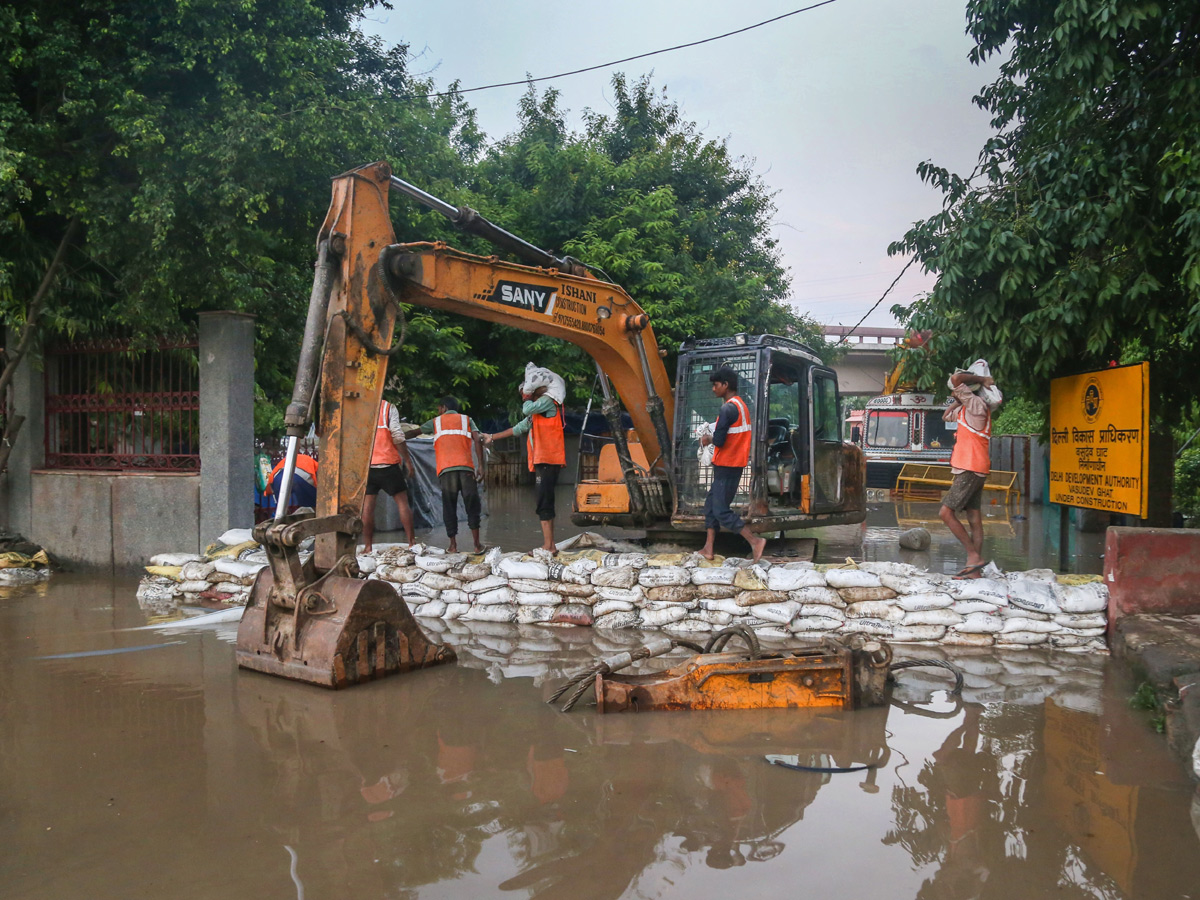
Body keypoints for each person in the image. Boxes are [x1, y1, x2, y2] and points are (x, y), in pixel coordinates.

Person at [484, 380, 566, 554]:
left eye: (524, 393)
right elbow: (518, 428)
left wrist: (527, 397)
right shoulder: (538, 412)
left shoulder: (547, 402)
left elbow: (527, 408)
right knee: (544, 501)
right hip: (543, 461)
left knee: (543, 502)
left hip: (548, 460)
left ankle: (548, 546)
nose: (523, 396)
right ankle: (550, 545)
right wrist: (492, 436)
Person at [939, 359, 1003, 578]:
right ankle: (974, 569)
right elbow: (946, 416)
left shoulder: (976, 405)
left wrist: (981, 380)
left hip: (969, 467)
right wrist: (957, 401)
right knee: (974, 517)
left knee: (946, 513)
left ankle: (972, 556)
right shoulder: (971, 407)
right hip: (977, 467)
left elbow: (956, 380)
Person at [698, 366, 767, 562]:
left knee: (720, 510)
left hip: (727, 464)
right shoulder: (741, 406)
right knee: (711, 505)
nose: (713, 389)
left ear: (725, 385)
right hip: (734, 464)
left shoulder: (727, 408)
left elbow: (719, 440)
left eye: (716, 385)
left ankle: (755, 542)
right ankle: (708, 549)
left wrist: (706, 439)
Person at [420, 396, 484, 553]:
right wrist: (481, 466)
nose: (438, 411)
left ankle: (453, 546)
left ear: (443, 408)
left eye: (438, 409)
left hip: (446, 471)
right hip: (466, 469)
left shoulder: (436, 422)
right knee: (472, 505)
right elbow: (477, 440)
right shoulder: (467, 420)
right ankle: (477, 545)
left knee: (449, 507)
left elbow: (416, 431)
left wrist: (397, 438)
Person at [363, 398, 416, 552]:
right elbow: (397, 436)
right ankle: (412, 543)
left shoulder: (359, 407)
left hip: (367, 467)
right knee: (402, 503)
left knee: (367, 508)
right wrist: (407, 461)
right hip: (388, 464)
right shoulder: (387, 408)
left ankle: (368, 546)